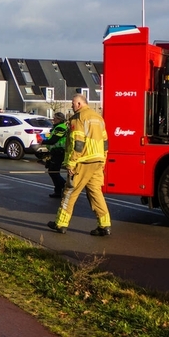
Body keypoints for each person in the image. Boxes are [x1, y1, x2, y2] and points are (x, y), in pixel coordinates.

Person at [48, 94, 112, 236]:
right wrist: (103, 160)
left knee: (70, 192)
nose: (71, 105)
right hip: (97, 160)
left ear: (79, 104)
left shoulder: (78, 118)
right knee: (95, 193)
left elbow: (78, 143)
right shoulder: (98, 118)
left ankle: (61, 223)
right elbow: (105, 142)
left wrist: (71, 163)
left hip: (83, 161)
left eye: (72, 103)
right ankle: (105, 225)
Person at [44, 111, 69, 198]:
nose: (53, 120)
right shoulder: (57, 127)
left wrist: (42, 141)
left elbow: (54, 140)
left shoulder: (61, 128)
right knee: (53, 171)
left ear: (59, 119)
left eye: (55, 118)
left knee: (53, 171)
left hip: (59, 152)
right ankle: (58, 191)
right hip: (55, 152)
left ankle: (65, 186)